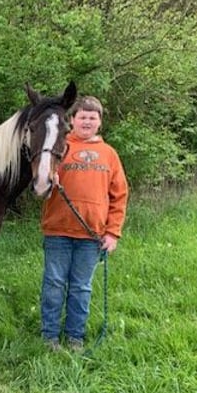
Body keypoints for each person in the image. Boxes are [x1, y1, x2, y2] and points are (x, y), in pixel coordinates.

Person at [40, 95, 128, 352]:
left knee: (81, 287)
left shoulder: (109, 154)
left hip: (92, 236)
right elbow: (40, 186)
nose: (87, 121)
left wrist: (112, 233)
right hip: (58, 230)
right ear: (72, 120)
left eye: (92, 117)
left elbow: (120, 195)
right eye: (82, 117)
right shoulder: (59, 147)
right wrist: (49, 180)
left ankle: (75, 337)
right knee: (54, 284)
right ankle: (50, 337)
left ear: (99, 122)